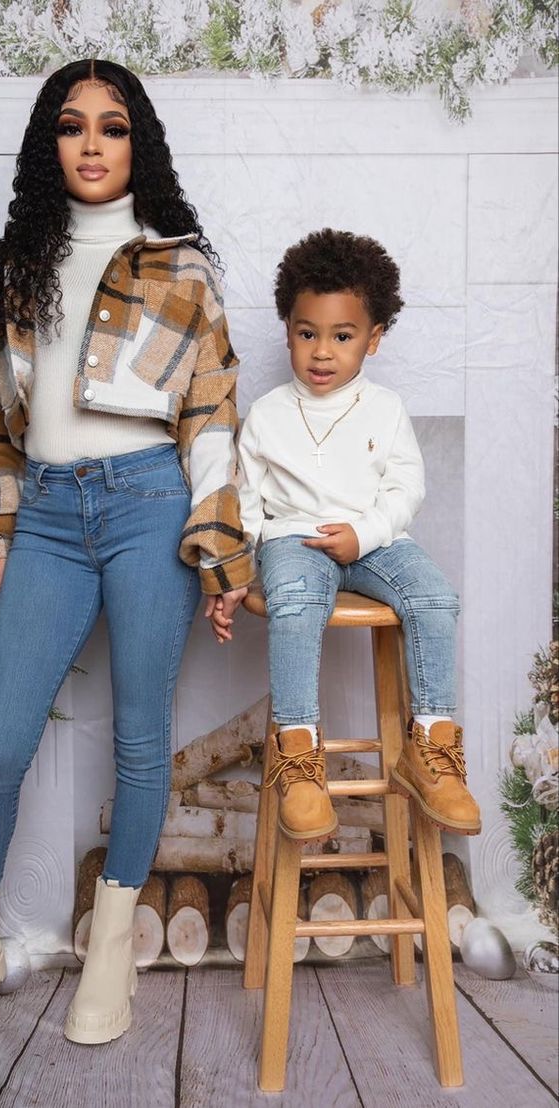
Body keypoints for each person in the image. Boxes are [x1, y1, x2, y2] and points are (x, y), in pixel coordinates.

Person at [0, 58, 254, 1058]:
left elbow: (213, 411)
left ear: (137, 141)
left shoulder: (180, 264)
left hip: (154, 504)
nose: (93, 143)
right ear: (49, 144)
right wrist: (1, 530)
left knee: (141, 739)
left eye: (112, 126)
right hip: (52, 516)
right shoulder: (20, 260)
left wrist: (219, 542)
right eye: (73, 126)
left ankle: (111, 944)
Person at [213, 228, 480, 843]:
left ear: (374, 338)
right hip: (294, 543)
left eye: (343, 335)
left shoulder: (384, 410)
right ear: (287, 329)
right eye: (307, 333)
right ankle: (299, 758)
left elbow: (406, 487)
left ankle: (431, 748)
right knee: (299, 603)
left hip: (376, 540)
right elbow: (247, 501)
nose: (322, 352)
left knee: (436, 598)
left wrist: (366, 533)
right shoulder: (269, 416)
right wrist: (236, 573)